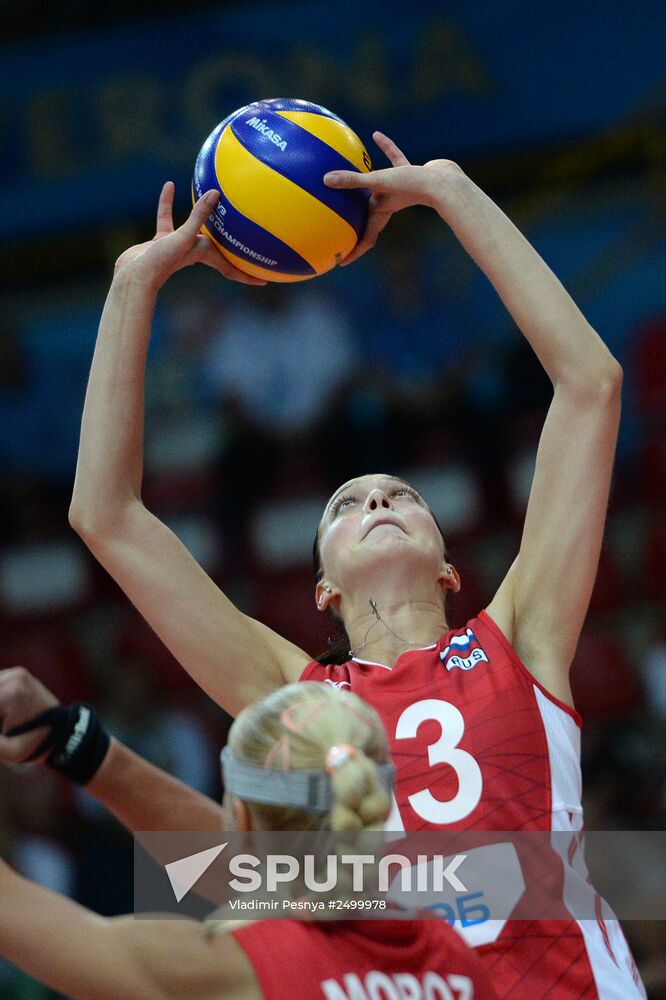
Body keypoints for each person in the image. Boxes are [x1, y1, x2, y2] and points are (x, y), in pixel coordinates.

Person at [66, 133, 645, 998]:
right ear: (323, 590)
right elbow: (105, 517)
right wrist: (131, 283)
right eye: (347, 504)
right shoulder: (295, 694)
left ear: (451, 568)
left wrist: (452, 190)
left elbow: (590, 383)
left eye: (400, 494)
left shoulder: (522, 635)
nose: (376, 502)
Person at [0, 680, 498, 1000]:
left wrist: (69, 739)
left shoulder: (228, 967)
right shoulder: (454, 957)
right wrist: (72, 741)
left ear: (237, 815)